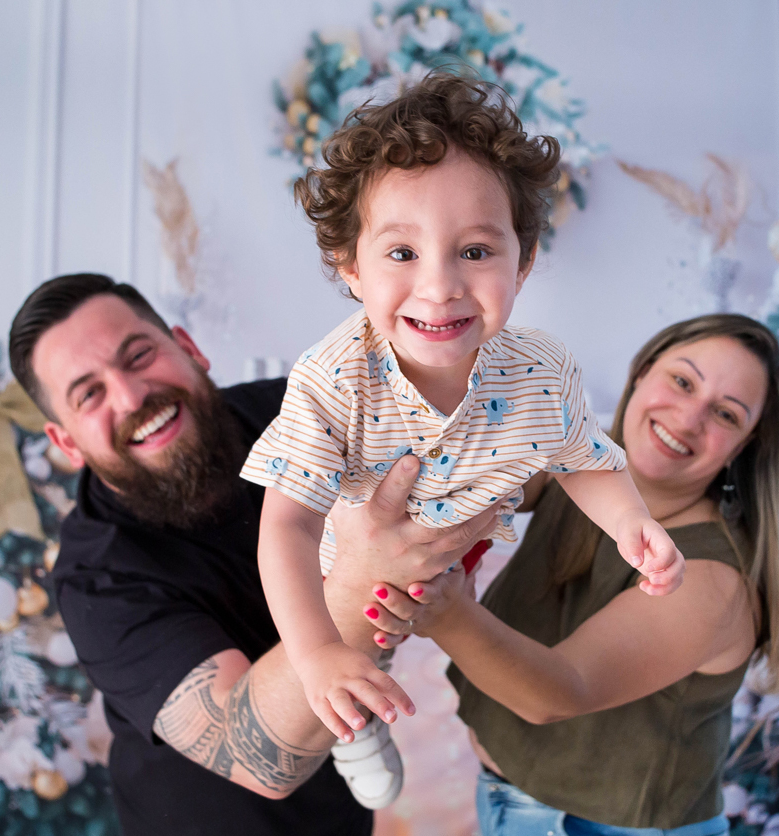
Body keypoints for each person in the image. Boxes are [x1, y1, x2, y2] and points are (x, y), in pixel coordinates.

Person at [238, 74, 684, 797]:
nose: (440, 285)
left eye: (475, 251)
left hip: (461, 536)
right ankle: (353, 716)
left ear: (523, 261)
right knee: (362, 645)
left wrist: (632, 523)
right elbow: (287, 527)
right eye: (402, 253)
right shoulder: (333, 379)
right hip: (340, 567)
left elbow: (582, 459)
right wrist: (316, 652)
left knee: (446, 612)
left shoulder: (541, 369)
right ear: (351, 267)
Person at [7, 273, 495, 836]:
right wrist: (369, 575)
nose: (131, 397)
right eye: (89, 394)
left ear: (189, 347)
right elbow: (255, 755)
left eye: (139, 356)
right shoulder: (98, 579)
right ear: (66, 443)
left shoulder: (297, 413)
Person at [363, 315, 779, 836]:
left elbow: (558, 692)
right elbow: (479, 471)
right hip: (507, 805)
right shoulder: (582, 463)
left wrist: (444, 610)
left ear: (744, 445)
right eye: (682, 381)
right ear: (641, 373)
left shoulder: (714, 581)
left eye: (726, 414)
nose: (688, 418)